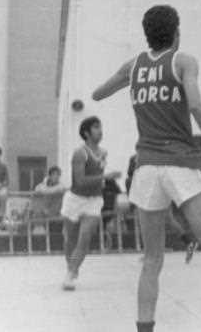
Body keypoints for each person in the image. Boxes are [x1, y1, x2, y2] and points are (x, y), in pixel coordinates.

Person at [92, 4, 201, 332]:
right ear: (176, 32)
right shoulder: (183, 61)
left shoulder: (134, 66)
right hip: (180, 164)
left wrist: (128, 82)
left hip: (146, 169)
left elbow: (98, 94)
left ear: (147, 35)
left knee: (152, 260)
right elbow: (196, 105)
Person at [60, 116, 120, 290]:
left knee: (85, 238)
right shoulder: (80, 153)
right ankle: (71, 267)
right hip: (74, 199)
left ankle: (71, 273)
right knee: (70, 240)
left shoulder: (103, 152)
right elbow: (80, 181)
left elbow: (97, 176)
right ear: (86, 133)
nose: (100, 131)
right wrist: (105, 177)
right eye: (95, 127)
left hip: (94, 200)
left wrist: (106, 181)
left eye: (100, 127)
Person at [126, 152, 198, 263]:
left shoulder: (139, 162)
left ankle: (152, 253)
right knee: (167, 220)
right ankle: (187, 241)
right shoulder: (152, 158)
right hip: (159, 189)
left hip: (152, 192)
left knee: (152, 223)